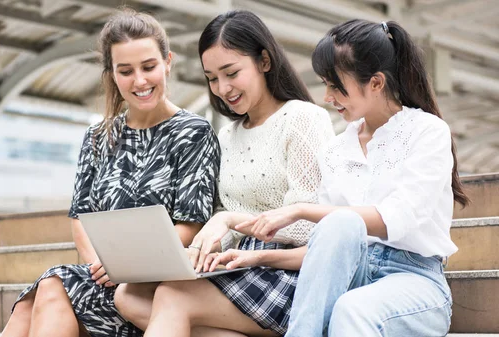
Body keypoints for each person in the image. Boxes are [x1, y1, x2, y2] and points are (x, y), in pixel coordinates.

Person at [236, 19, 470, 336]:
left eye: (336, 85)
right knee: (341, 231)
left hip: (415, 282)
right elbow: (328, 250)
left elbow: (396, 219)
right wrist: (260, 256)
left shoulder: (427, 132)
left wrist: (300, 209)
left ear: (375, 83)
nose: (327, 97)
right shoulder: (335, 151)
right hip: (353, 274)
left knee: (351, 309)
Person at [0, 9, 220, 337]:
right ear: (112, 74)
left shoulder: (192, 132)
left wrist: (126, 266)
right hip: (103, 275)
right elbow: (81, 218)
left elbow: (190, 225)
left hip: (154, 284)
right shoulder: (98, 137)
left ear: (168, 62)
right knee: (41, 294)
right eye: (126, 71)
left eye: (148, 67)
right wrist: (103, 267)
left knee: (49, 288)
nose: (140, 81)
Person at [114, 10, 334, 337]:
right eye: (212, 78)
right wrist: (200, 250)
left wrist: (231, 220)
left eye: (231, 73)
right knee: (128, 294)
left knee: (172, 296)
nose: (222, 88)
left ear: (264, 61)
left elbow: (306, 227)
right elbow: (223, 221)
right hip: (238, 264)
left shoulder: (302, 118)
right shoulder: (226, 137)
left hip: (290, 271)